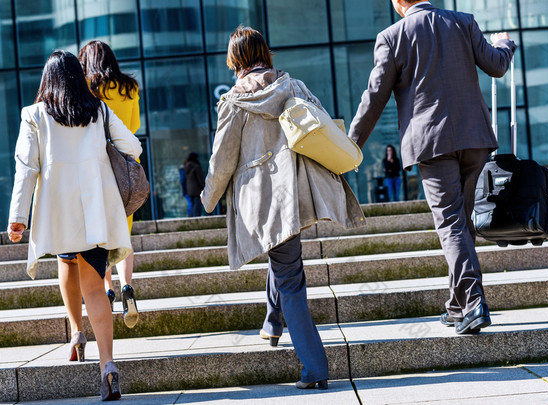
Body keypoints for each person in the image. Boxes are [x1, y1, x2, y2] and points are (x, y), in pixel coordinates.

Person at [201, 26, 365, 389]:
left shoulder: (233, 104)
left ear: (235, 60)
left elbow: (222, 160)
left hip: (266, 203)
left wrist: (208, 197)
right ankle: (273, 322)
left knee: (289, 276)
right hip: (302, 192)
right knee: (284, 257)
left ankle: (314, 367)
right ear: (264, 53)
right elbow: (322, 126)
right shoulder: (294, 86)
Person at [348, 0, 517, 335]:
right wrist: (504, 43)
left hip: (431, 143)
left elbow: (374, 97)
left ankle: (472, 304)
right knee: (462, 224)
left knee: (451, 224)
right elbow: (497, 66)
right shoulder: (463, 21)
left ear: (397, 2)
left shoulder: (392, 36)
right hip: (474, 138)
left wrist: (350, 146)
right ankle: (457, 306)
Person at [7, 50, 141, 400]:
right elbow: (133, 146)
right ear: (78, 78)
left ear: (47, 80)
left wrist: (17, 217)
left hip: (59, 212)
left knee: (65, 260)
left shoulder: (34, 114)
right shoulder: (98, 109)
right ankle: (108, 366)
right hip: (95, 211)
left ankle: (77, 335)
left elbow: (26, 167)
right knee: (96, 287)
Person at [78, 40, 141, 328]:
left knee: (102, 234)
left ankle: (108, 288)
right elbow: (134, 127)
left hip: (99, 169)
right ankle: (127, 285)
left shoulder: (88, 87)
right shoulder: (129, 87)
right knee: (124, 234)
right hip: (126, 169)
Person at [183, 152, 205, 217]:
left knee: (193, 204)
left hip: (189, 189)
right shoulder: (196, 166)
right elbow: (200, 178)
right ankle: (196, 218)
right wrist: (204, 186)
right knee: (197, 205)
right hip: (196, 189)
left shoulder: (186, 167)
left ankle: (192, 217)